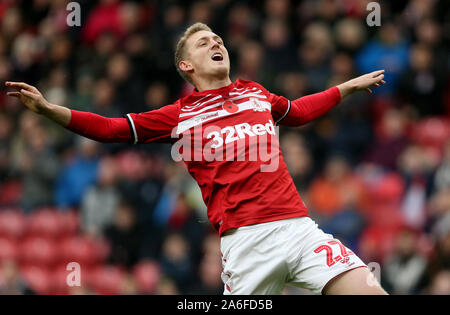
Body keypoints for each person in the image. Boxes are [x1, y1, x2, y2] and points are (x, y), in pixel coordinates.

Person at [5, 22, 387, 295]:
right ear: (187, 66)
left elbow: (299, 112)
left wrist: (346, 87)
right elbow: (110, 129)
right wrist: (48, 109)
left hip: (298, 230)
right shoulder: (180, 115)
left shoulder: (256, 92)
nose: (215, 42)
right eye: (203, 43)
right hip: (246, 245)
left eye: (217, 39)